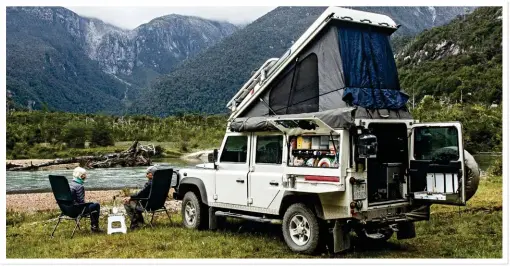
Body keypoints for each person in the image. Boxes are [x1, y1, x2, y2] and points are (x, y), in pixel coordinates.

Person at [69, 167, 102, 232]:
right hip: (77, 210)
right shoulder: (80, 186)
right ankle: (95, 227)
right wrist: (90, 203)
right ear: (80, 176)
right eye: (84, 174)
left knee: (91, 205)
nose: (85, 176)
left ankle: (94, 227)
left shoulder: (69, 184)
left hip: (66, 209)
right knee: (96, 205)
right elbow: (81, 202)